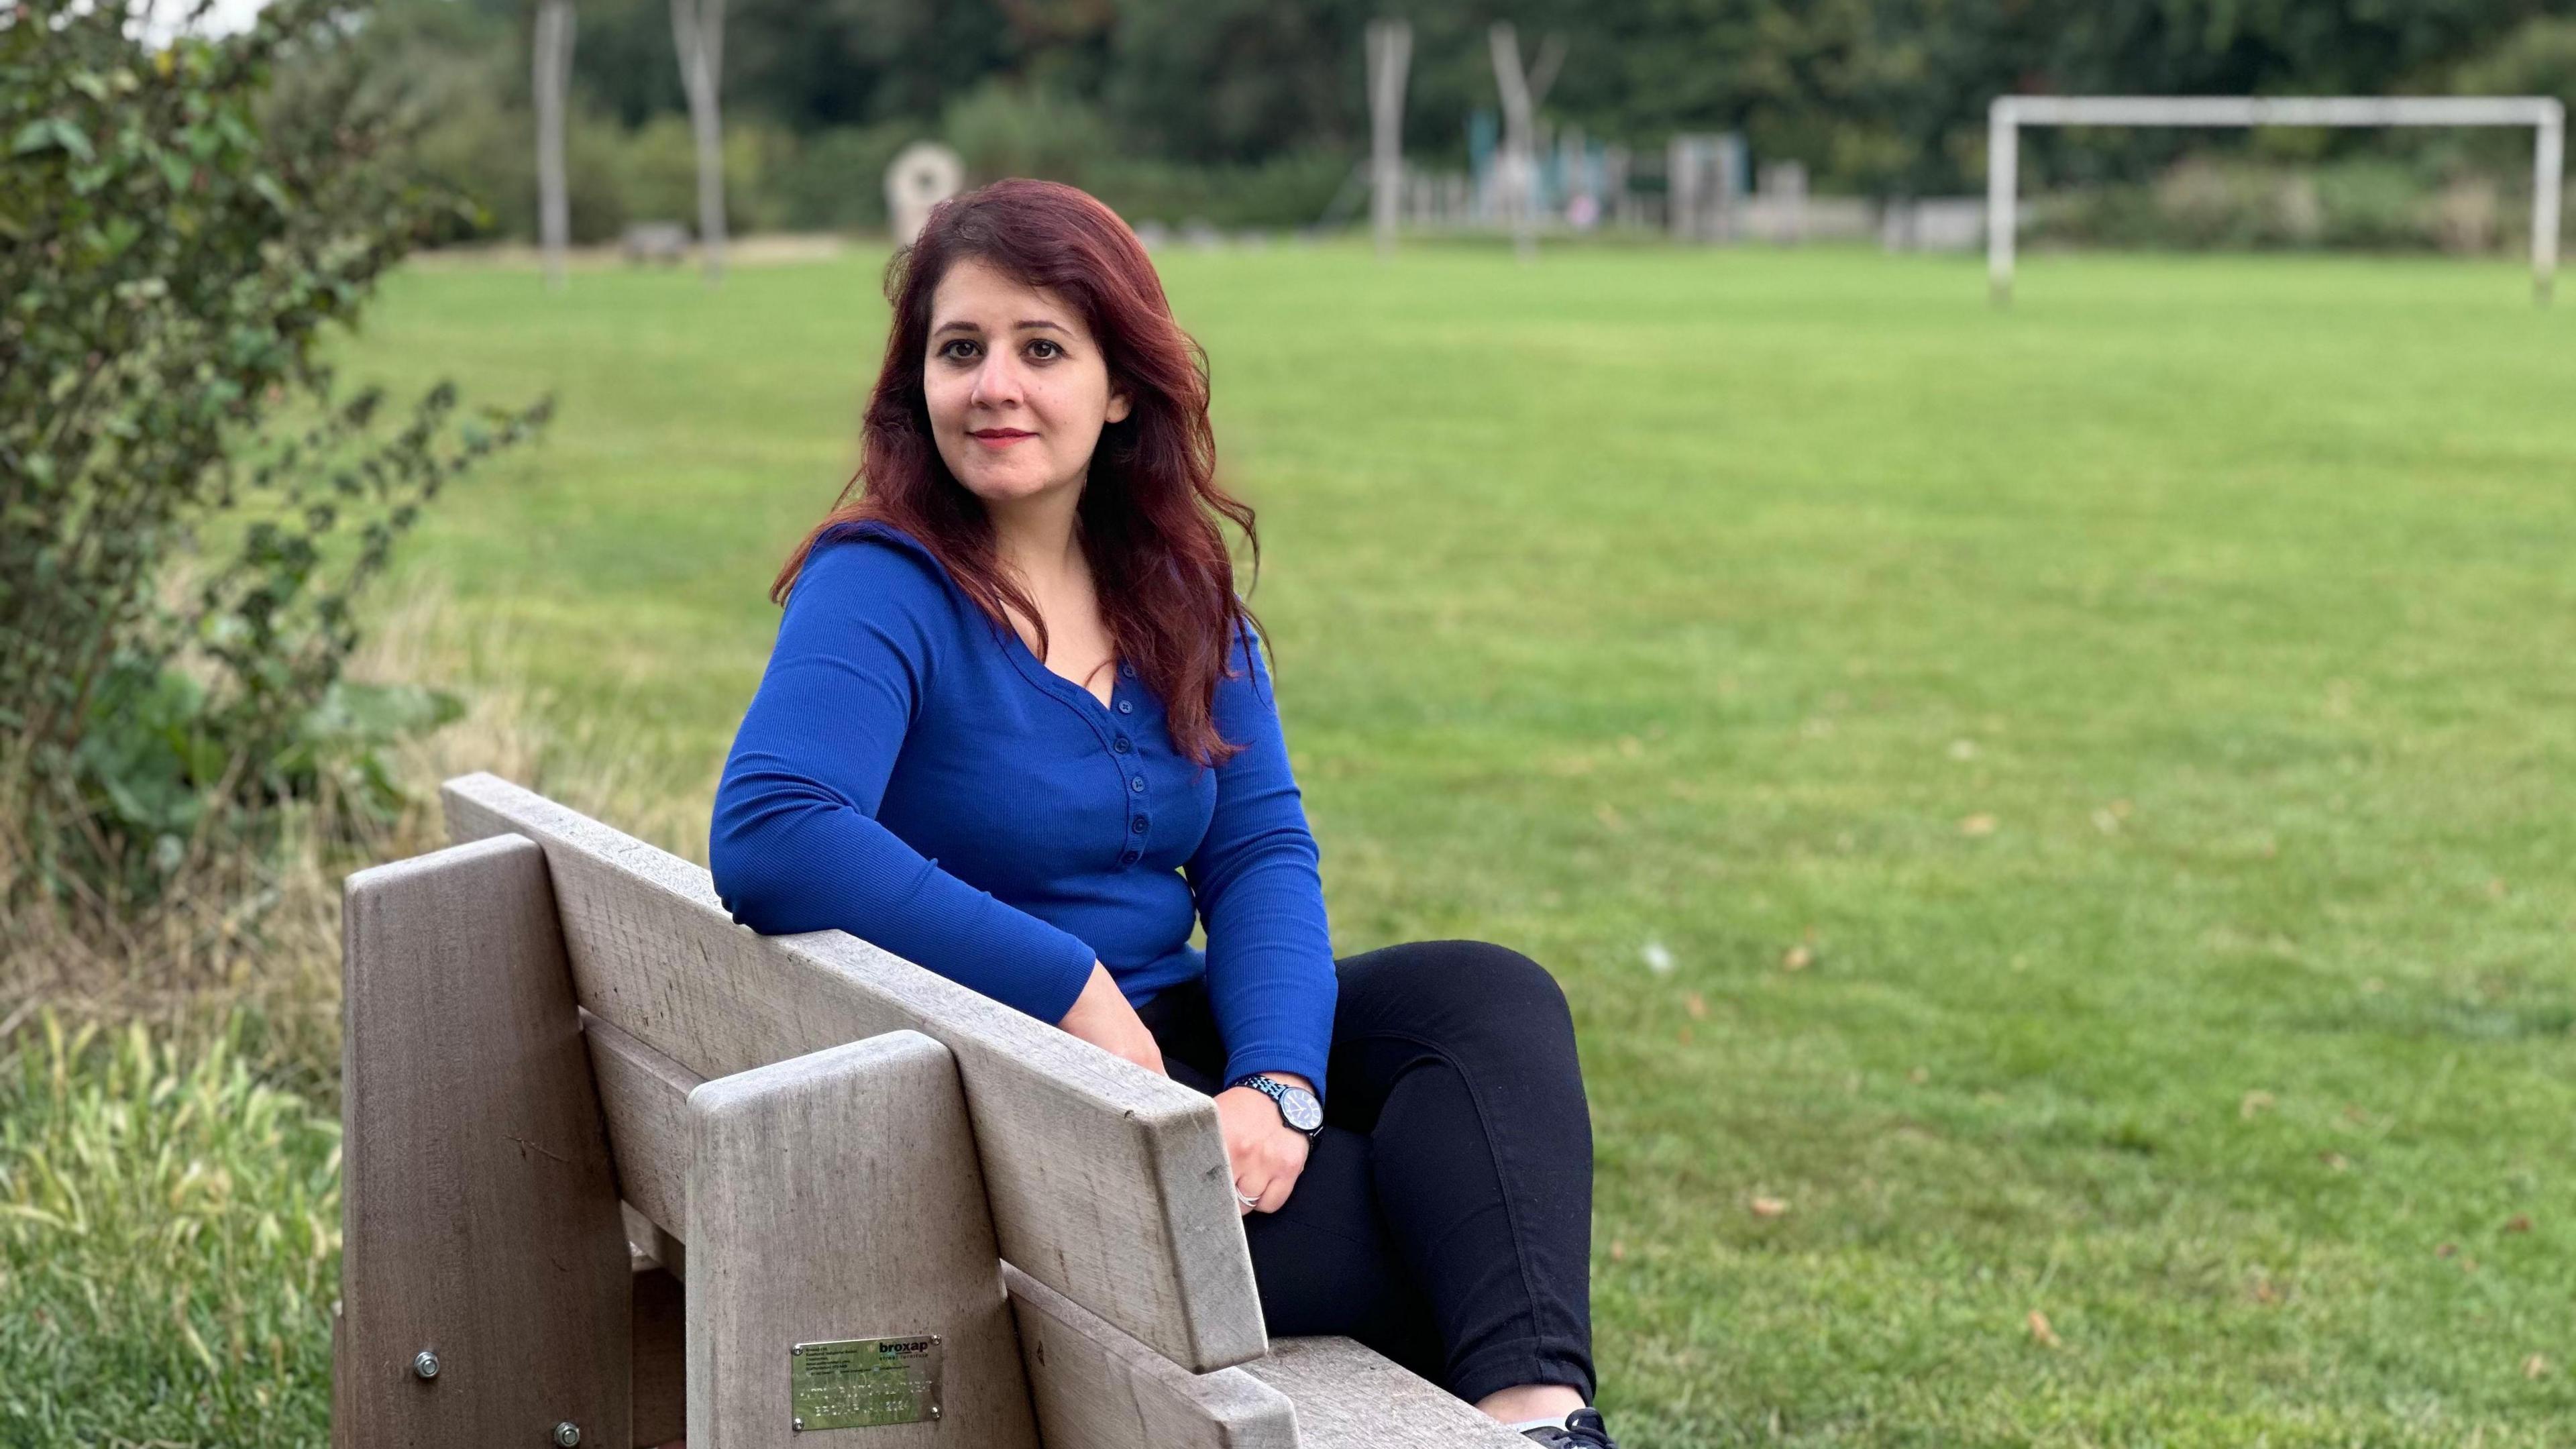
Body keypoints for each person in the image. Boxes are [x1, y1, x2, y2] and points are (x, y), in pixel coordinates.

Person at [709, 178, 1614, 1449]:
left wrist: (1280, 1082)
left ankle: (1534, 1424)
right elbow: (774, 827)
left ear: (1120, 385)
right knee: (1463, 1228)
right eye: (959, 350)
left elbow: (1258, 854)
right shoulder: (883, 584)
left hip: (1166, 1044)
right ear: (917, 380)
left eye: (1042, 350)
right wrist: (1070, 988)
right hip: (1007, 1098)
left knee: (1486, 1001)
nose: (994, 388)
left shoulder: (1178, 595)